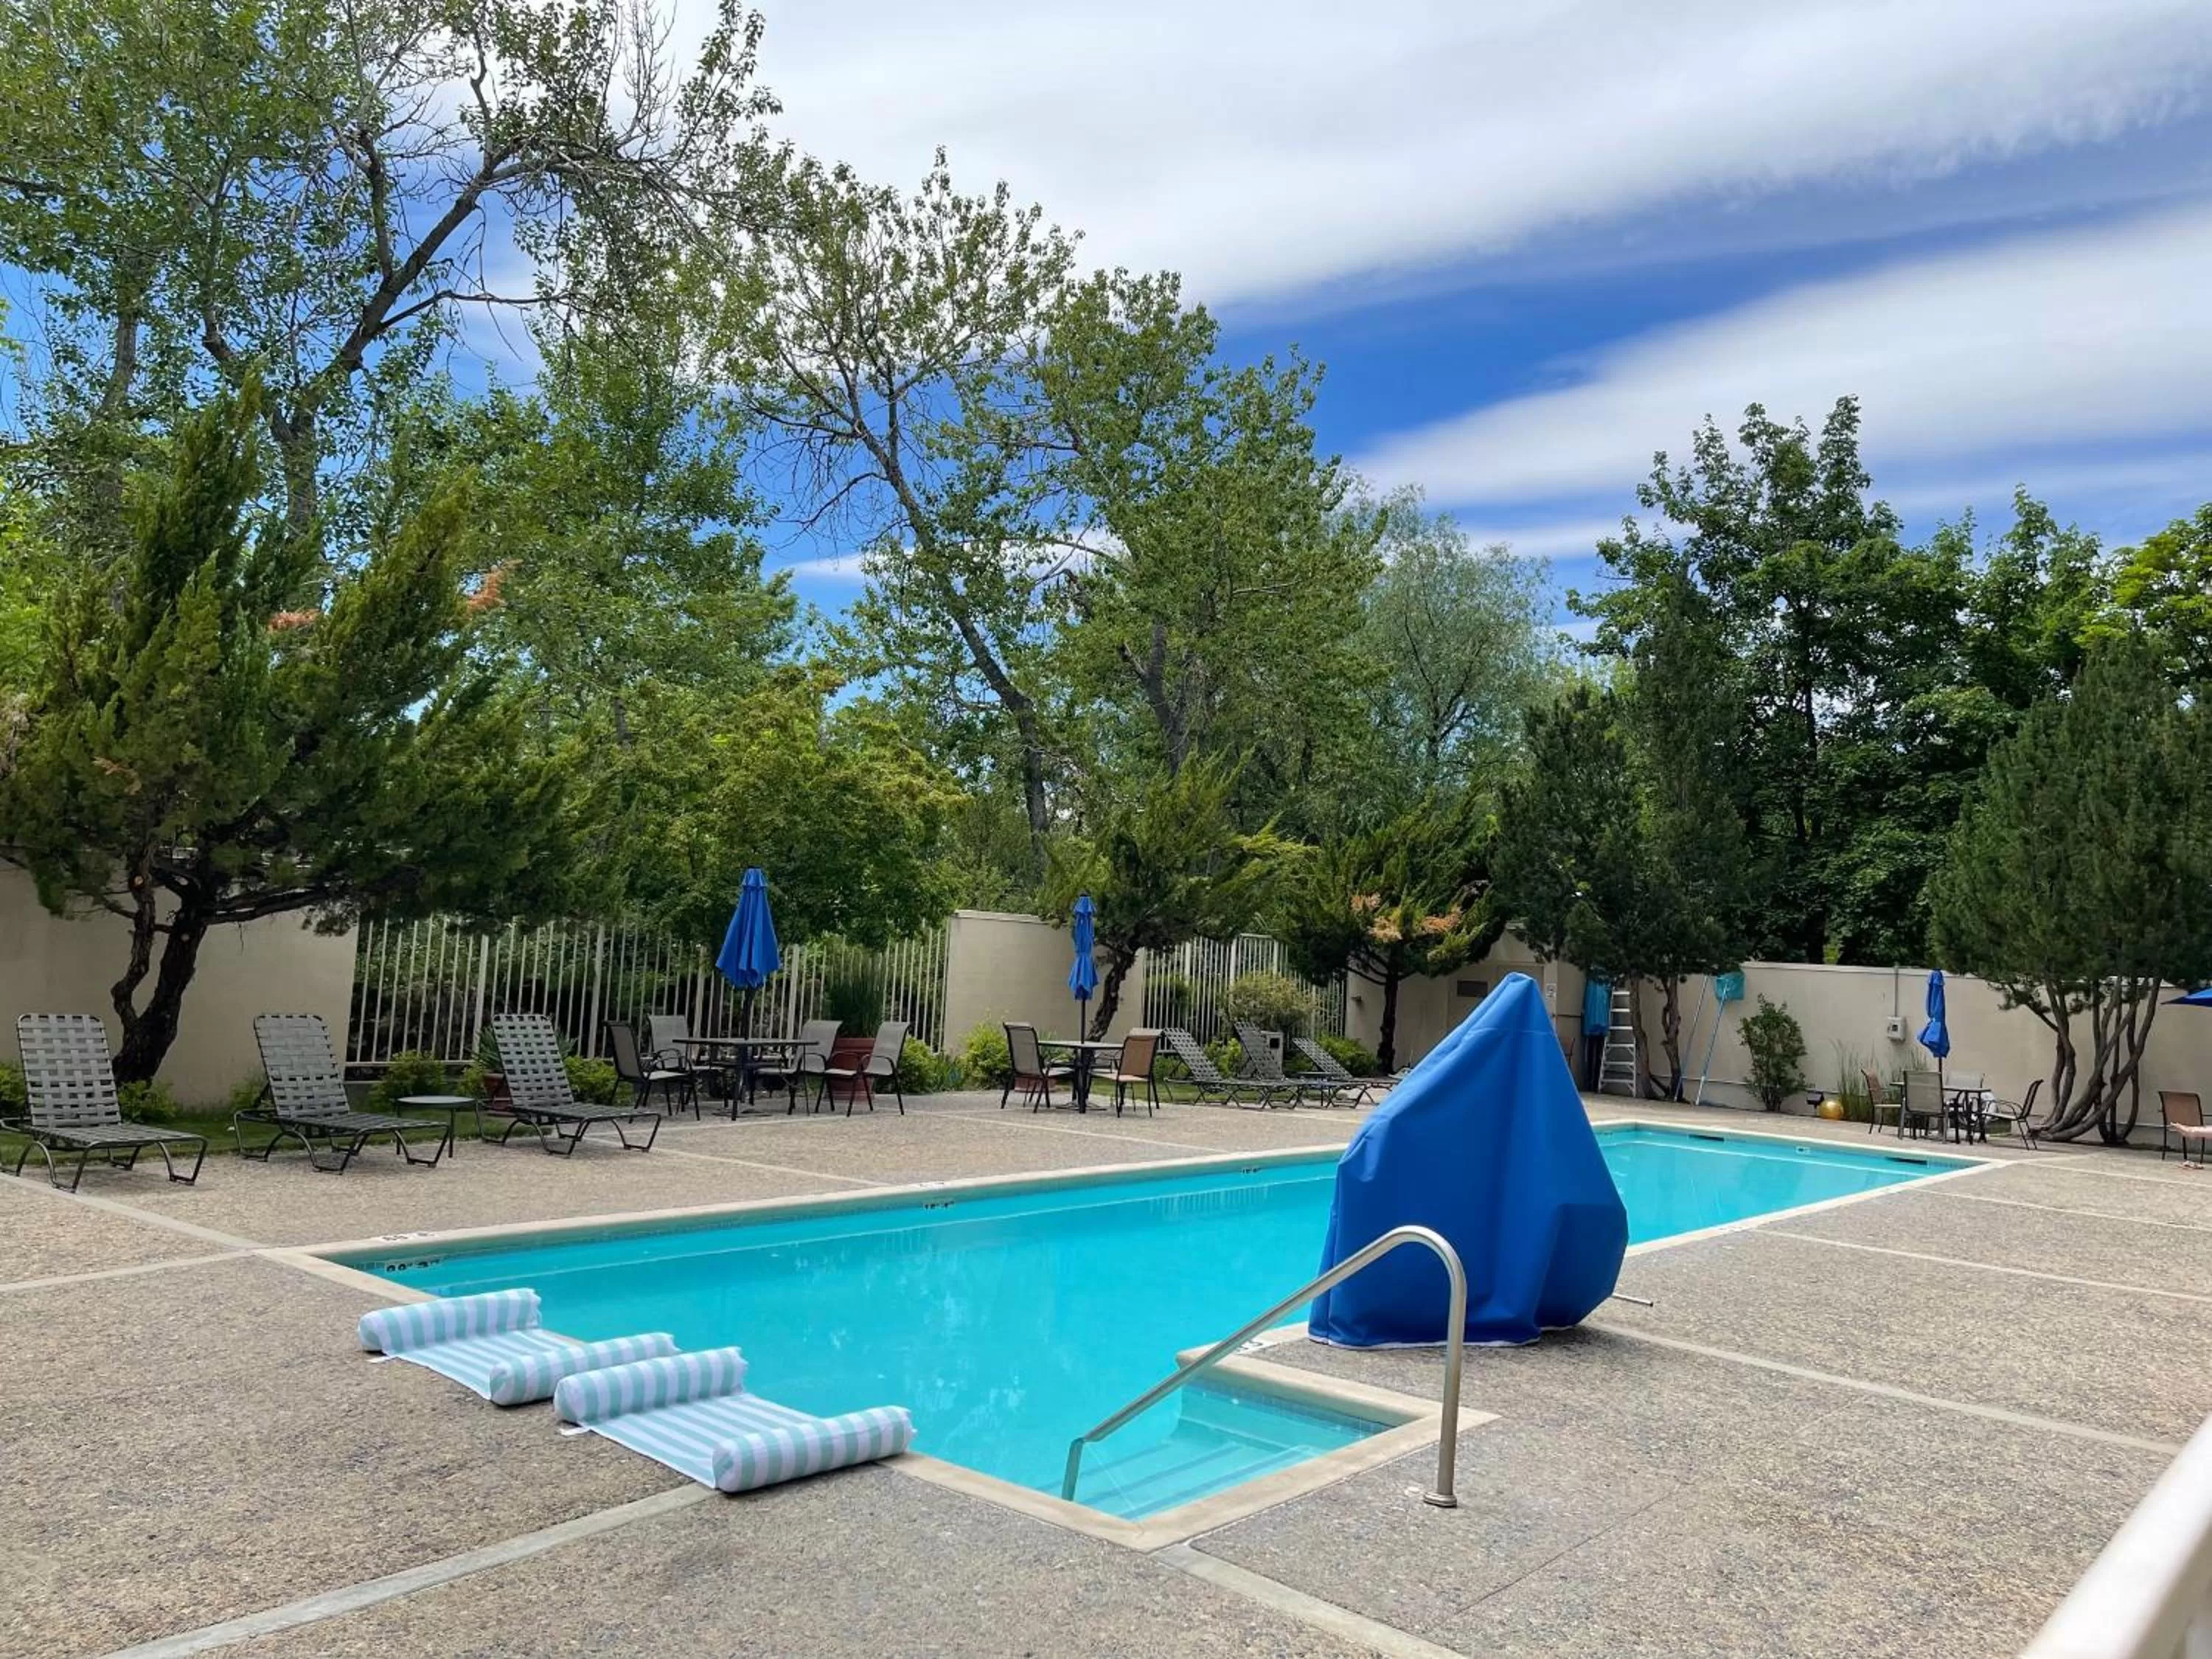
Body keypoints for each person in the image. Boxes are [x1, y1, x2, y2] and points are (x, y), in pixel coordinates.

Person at [1579, 975, 1611, 1089]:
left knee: (1592, 1053)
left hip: (1591, 1021)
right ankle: (1594, 1083)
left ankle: (1590, 1083)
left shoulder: (1591, 981)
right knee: (1598, 1054)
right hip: (1601, 1021)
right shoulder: (1604, 980)